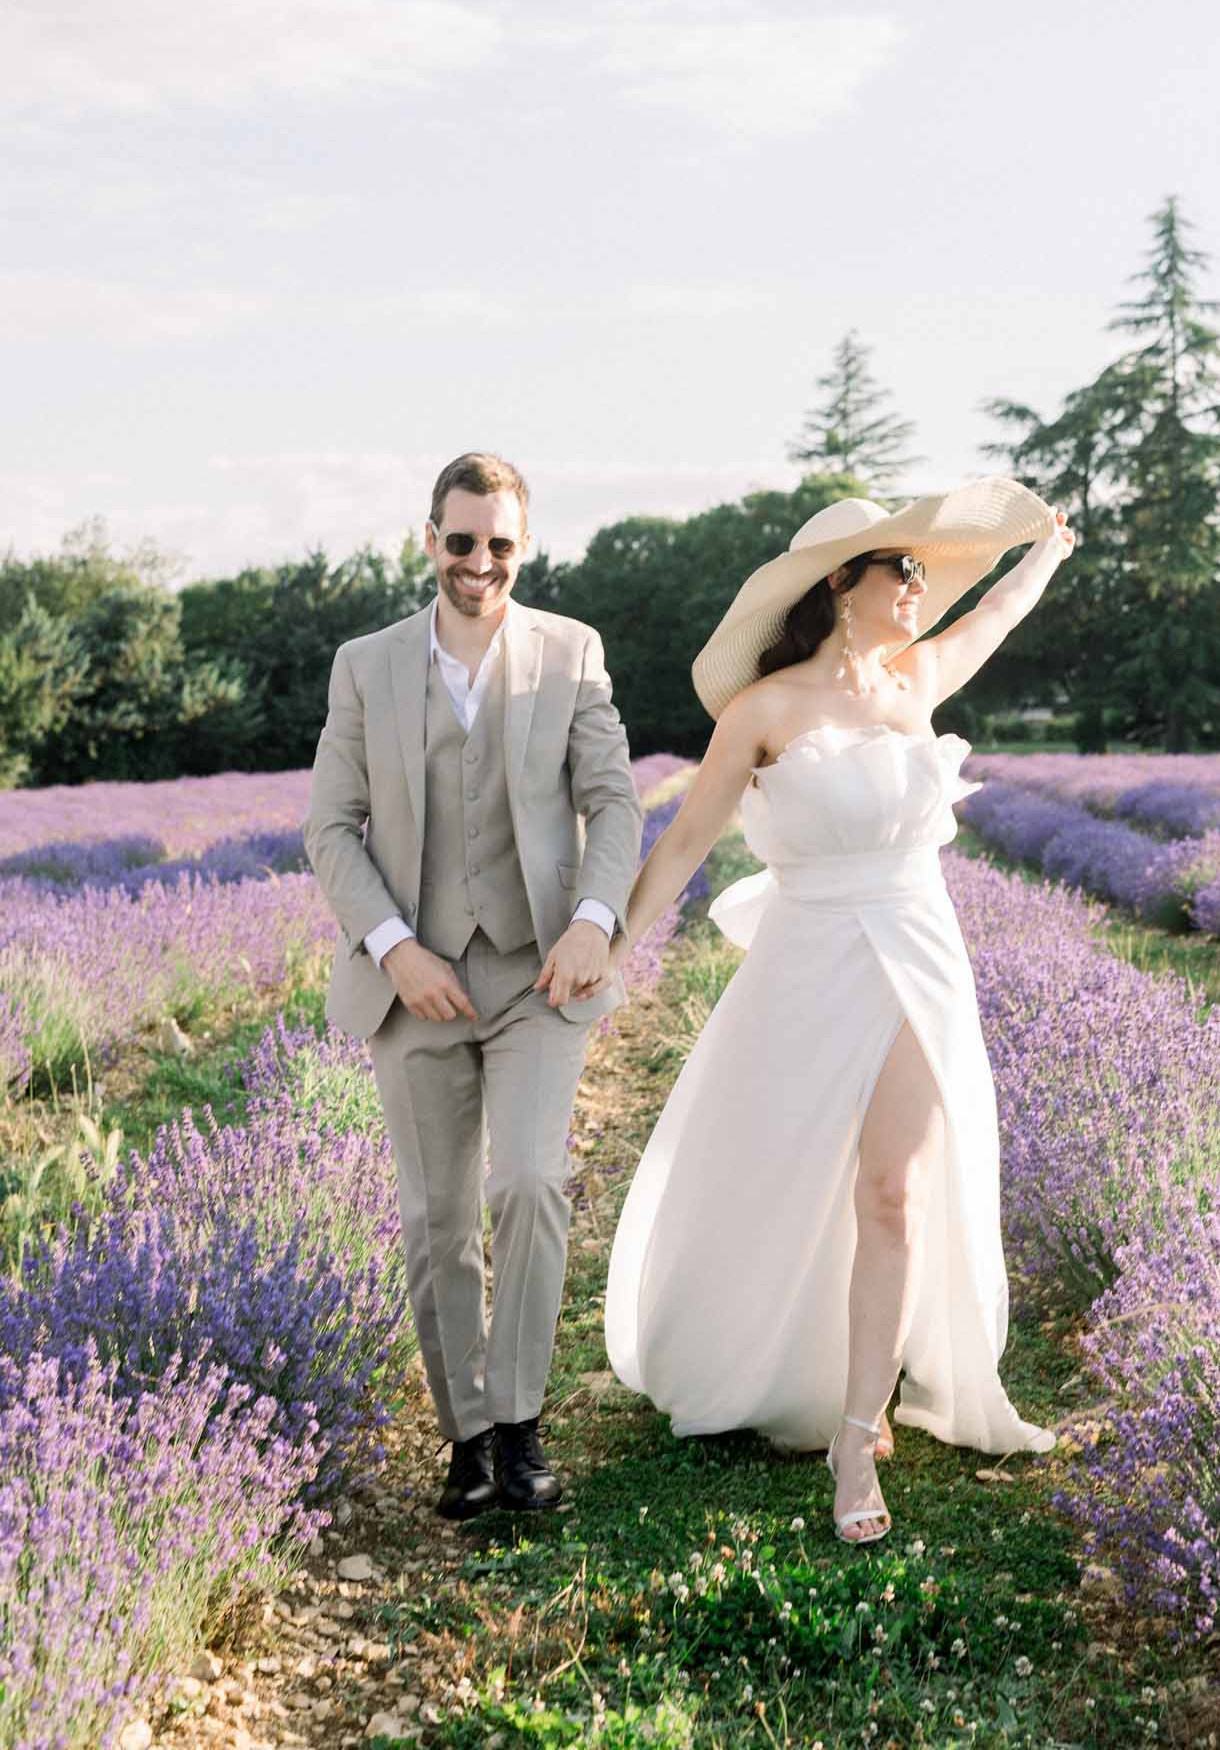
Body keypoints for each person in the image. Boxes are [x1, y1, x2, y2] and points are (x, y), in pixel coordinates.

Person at [603, 477, 1075, 1545]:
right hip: (808, 956)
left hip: (916, 947)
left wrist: (1044, 549)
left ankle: (859, 1434)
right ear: (838, 586)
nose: (916, 584)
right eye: (896, 568)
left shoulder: (918, 679)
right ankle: (772, 1353)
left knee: (893, 1190)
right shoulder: (763, 713)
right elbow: (681, 843)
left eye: (917, 568)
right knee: (785, 1174)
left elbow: (993, 611)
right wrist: (612, 947)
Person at [304, 452, 642, 1521]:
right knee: (439, 1215)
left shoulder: (572, 652)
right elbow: (330, 827)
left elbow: (617, 803)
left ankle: (523, 1421)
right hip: (416, 979)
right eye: (461, 541)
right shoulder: (367, 663)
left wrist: (594, 921)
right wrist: (396, 944)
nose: (478, 562)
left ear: (523, 547)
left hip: (538, 969)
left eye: (499, 543)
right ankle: (466, 1440)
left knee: (531, 1182)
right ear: (430, 541)